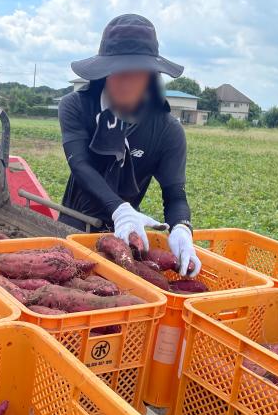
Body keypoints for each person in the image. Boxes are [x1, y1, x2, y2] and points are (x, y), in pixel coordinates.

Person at [58, 14, 202, 277]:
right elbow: (79, 165)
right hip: (72, 226)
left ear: (151, 76)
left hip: (126, 236)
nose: (125, 82)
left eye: (135, 74)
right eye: (117, 72)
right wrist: (120, 208)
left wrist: (182, 227)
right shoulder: (77, 106)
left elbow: (175, 194)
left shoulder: (167, 129)